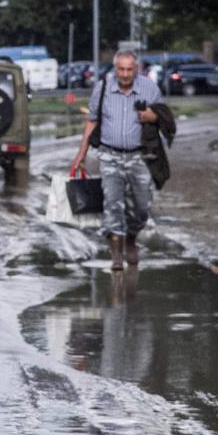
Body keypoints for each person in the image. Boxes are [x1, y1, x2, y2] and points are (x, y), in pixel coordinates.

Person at [70, 50, 163, 270]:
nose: (125, 74)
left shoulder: (148, 88)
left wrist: (153, 116)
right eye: (120, 69)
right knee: (112, 205)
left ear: (136, 70)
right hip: (109, 156)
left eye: (129, 69)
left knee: (142, 207)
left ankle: (130, 237)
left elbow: (164, 115)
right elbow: (91, 121)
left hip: (140, 157)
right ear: (115, 69)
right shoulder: (103, 89)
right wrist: (81, 153)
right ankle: (116, 254)